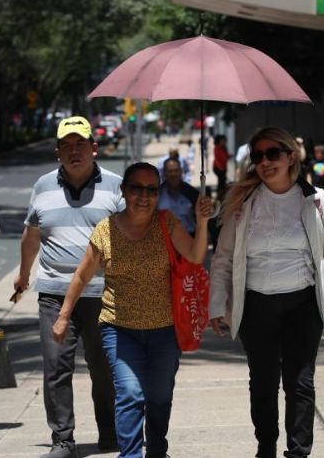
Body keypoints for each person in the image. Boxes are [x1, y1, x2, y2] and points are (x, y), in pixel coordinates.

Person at [208, 127, 324, 458]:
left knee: (300, 383)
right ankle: (266, 445)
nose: (265, 162)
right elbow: (222, 259)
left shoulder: (315, 200)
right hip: (256, 307)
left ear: (291, 156)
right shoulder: (241, 203)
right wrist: (217, 305)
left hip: (302, 304)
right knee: (263, 384)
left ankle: (298, 453)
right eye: (258, 156)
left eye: (272, 154)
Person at [52, 163, 212, 458]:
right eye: (137, 187)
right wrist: (63, 316)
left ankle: (157, 450)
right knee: (129, 394)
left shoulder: (168, 223)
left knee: (160, 397)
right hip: (119, 328)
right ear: (124, 191)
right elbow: (81, 276)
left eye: (152, 189)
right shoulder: (106, 229)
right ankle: (130, 455)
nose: (144, 195)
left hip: (164, 329)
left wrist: (202, 223)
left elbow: (195, 254)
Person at [14, 115, 123, 458]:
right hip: (54, 292)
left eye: (80, 145)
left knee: (104, 369)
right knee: (55, 366)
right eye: (66, 146)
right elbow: (32, 235)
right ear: (58, 151)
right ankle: (63, 439)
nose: (74, 151)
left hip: (103, 293)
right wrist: (23, 274)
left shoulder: (116, 186)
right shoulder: (43, 186)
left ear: (94, 147)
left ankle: (109, 430)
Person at [158, 157, 200, 235]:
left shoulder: (192, 193)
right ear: (164, 173)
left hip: (189, 237)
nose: (173, 174)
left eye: (176, 170)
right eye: (170, 171)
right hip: (164, 238)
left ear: (181, 172)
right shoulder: (157, 194)